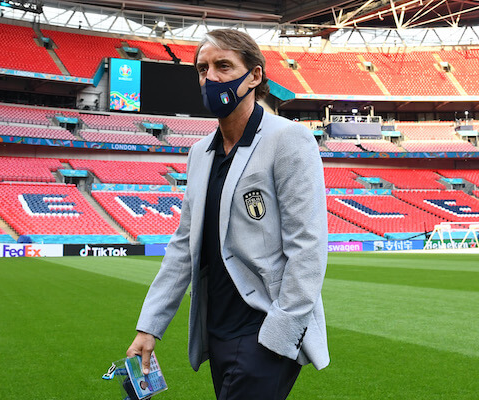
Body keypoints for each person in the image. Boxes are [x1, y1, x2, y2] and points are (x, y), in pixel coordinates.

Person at [126, 28, 329, 400]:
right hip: (216, 329)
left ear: (254, 76)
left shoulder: (289, 139)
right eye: (203, 69)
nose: (211, 77)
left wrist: (280, 331)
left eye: (223, 66)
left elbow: (308, 246)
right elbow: (183, 247)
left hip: (265, 328)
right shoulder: (199, 153)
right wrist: (149, 327)